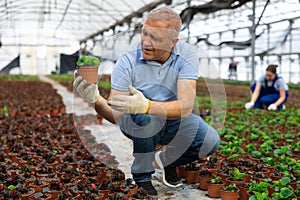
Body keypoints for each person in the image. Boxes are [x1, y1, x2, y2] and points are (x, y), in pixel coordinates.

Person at [73, 7, 220, 198]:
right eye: (144, 34)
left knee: (210, 141)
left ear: (173, 42)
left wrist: (148, 105)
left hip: (172, 118)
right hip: (137, 120)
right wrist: (96, 99)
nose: (146, 43)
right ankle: (142, 178)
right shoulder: (127, 61)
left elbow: (185, 107)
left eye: (156, 38)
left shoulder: (186, 56)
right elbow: (116, 115)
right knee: (148, 119)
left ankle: (168, 161)